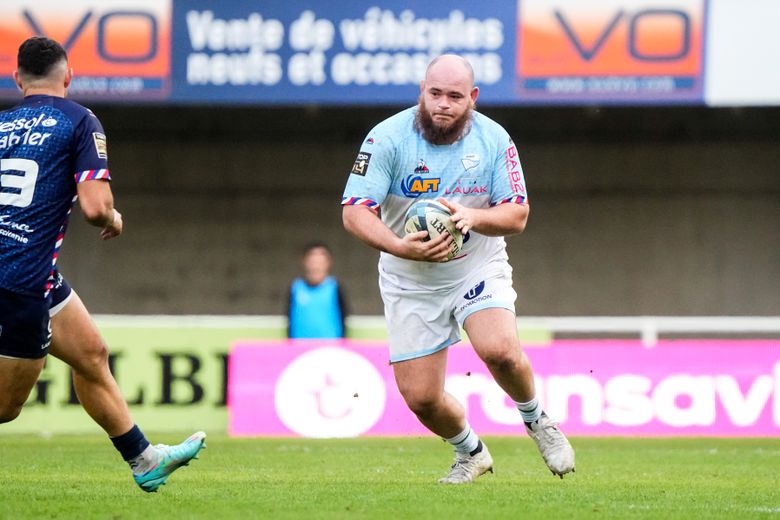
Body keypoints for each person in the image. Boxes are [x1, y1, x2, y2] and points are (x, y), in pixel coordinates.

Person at [341, 54, 575, 484]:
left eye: (454, 96)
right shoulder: (388, 138)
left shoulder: (494, 139)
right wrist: (401, 247)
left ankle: (537, 420)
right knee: (422, 399)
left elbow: (517, 214)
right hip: (409, 278)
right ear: (421, 91)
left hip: (475, 265)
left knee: (500, 351)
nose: (442, 104)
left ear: (473, 97)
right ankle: (471, 452)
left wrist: (472, 216)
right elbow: (354, 212)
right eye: (434, 94)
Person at [0, 36, 205, 492]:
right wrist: (114, 217)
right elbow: (95, 208)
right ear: (68, 76)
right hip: (20, 280)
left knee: (91, 355)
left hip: (34, 274)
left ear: (18, 79)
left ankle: (144, 459)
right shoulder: (79, 121)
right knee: (5, 408)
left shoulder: (2, 125)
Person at [287, 241, 348, 339]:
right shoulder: (295, 288)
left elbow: (343, 317)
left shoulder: (335, 288)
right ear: (305, 262)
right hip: (300, 348)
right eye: (313, 262)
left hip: (330, 348)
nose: (316, 266)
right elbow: (289, 319)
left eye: (320, 262)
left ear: (328, 263)